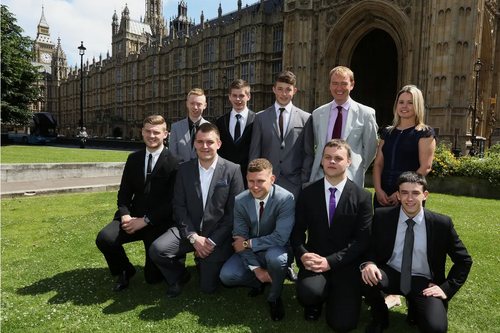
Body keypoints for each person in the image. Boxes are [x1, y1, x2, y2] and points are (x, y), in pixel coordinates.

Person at [361, 172, 472, 333]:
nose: (409, 198)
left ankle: (414, 308)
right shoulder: (382, 216)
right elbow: (369, 247)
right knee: (367, 277)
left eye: (415, 193)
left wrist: (446, 288)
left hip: (423, 281)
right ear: (398, 195)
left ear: (425, 195)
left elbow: (464, 260)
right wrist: (369, 263)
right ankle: (380, 317)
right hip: (390, 273)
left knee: (436, 329)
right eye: (404, 193)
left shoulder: (441, 224)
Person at [149, 123, 245, 297]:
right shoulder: (184, 169)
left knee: (208, 289)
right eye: (200, 142)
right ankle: (180, 275)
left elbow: (235, 213)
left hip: (216, 237)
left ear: (219, 144)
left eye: (210, 142)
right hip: (189, 230)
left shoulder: (233, 170)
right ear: (194, 144)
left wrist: (211, 242)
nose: (205, 146)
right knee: (158, 249)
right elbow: (179, 206)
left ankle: (204, 261)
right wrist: (193, 237)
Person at [291, 139, 373, 332]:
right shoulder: (307, 191)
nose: (332, 161)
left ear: (349, 162)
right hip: (315, 259)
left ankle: (336, 296)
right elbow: (296, 231)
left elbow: (363, 240)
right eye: (327, 157)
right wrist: (302, 254)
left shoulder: (362, 196)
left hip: (345, 264)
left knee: (343, 325)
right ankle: (315, 302)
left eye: (338, 158)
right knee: (308, 294)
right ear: (322, 161)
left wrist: (331, 262)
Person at [95, 115, 182, 291]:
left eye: (156, 132)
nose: (151, 136)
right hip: (133, 216)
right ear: (142, 132)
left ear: (165, 134)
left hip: (158, 222)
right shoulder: (133, 159)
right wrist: (126, 214)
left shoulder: (175, 162)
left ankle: (171, 263)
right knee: (105, 238)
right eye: (148, 131)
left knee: (153, 278)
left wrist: (146, 220)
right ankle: (125, 270)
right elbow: (124, 192)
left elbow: (173, 201)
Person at [220, 158, 295, 321]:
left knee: (277, 259)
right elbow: (239, 238)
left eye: (261, 181)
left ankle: (274, 297)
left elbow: (280, 238)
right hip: (252, 252)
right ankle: (261, 280)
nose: (255, 186)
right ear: (246, 179)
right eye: (251, 181)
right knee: (227, 276)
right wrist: (256, 269)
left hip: (277, 249)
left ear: (272, 179)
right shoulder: (240, 200)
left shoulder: (286, 199)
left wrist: (248, 243)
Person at [303, 66, 378, 187]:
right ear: (330, 86)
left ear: (352, 85)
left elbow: (371, 148)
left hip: (351, 176)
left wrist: (356, 168)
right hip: (321, 176)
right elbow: (316, 143)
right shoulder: (317, 114)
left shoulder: (366, 114)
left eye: (344, 84)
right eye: (335, 83)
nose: (339, 88)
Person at [249, 71, 310, 199]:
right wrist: (255, 180)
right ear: (274, 90)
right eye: (280, 89)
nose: (284, 94)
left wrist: (303, 179)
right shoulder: (260, 118)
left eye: (288, 90)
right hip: (266, 183)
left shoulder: (306, 118)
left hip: (294, 184)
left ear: (294, 91)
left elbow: (308, 154)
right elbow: (255, 152)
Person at [373, 85, 436, 210]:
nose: (404, 106)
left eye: (410, 103)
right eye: (401, 102)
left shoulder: (424, 133)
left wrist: (401, 193)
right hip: (383, 193)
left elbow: (426, 167)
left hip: (409, 195)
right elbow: (378, 163)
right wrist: (378, 190)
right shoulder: (388, 132)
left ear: (417, 105)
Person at [216, 79, 255, 183]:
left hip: (249, 177)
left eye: (241, 96)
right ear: (229, 97)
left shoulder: (257, 120)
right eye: (234, 95)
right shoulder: (220, 121)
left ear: (248, 97)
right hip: (225, 176)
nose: (238, 99)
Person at [169, 88, 210, 161]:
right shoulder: (176, 127)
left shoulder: (210, 128)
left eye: (199, 104)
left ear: (205, 105)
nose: (195, 107)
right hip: (181, 170)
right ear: (187, 104)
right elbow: (172, 156)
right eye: (192, 103)